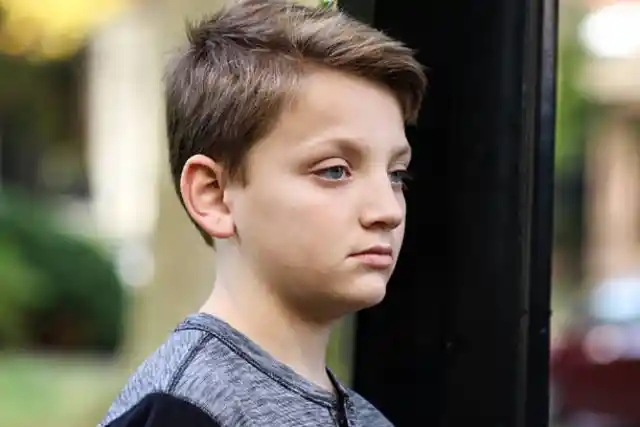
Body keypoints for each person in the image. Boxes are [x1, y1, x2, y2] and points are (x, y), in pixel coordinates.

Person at [98, 0, 426, 425]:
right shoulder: (181, 410)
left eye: (396, 174)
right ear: (213, 195)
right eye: (334, 171)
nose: (387, 210)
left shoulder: (368, 419)